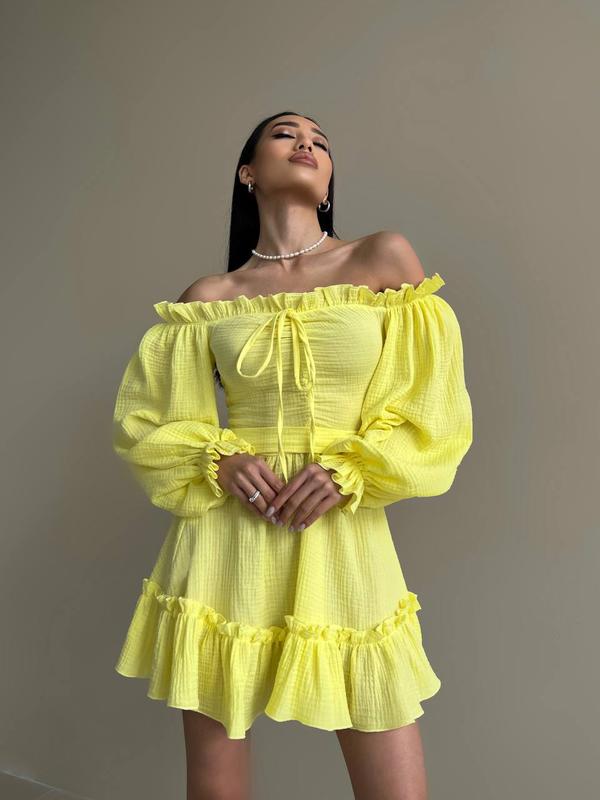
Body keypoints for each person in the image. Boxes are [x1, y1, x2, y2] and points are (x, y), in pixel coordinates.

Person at [112, 111, 473, 800]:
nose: (307, 143)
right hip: (224, 538)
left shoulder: (381, 259)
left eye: (321, 141)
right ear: (248, 172)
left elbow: (433, 403)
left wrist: (350, 468)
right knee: (216, 787)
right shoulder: (210, 298)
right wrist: (216, 459)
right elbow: (148, 421)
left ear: (329, 181)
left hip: (340, 530)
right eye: (285, 134)